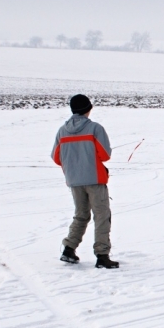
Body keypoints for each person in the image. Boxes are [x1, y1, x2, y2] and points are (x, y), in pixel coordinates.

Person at [51, 94, 119, 269]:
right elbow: (105, 154)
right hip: (95, 179)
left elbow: (56, 157)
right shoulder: (95, 128)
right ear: (89, 108)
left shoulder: (62, 130)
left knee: (81, 215)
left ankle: (68, 249)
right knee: (101, 215)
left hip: (74, 180)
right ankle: (102, 255)